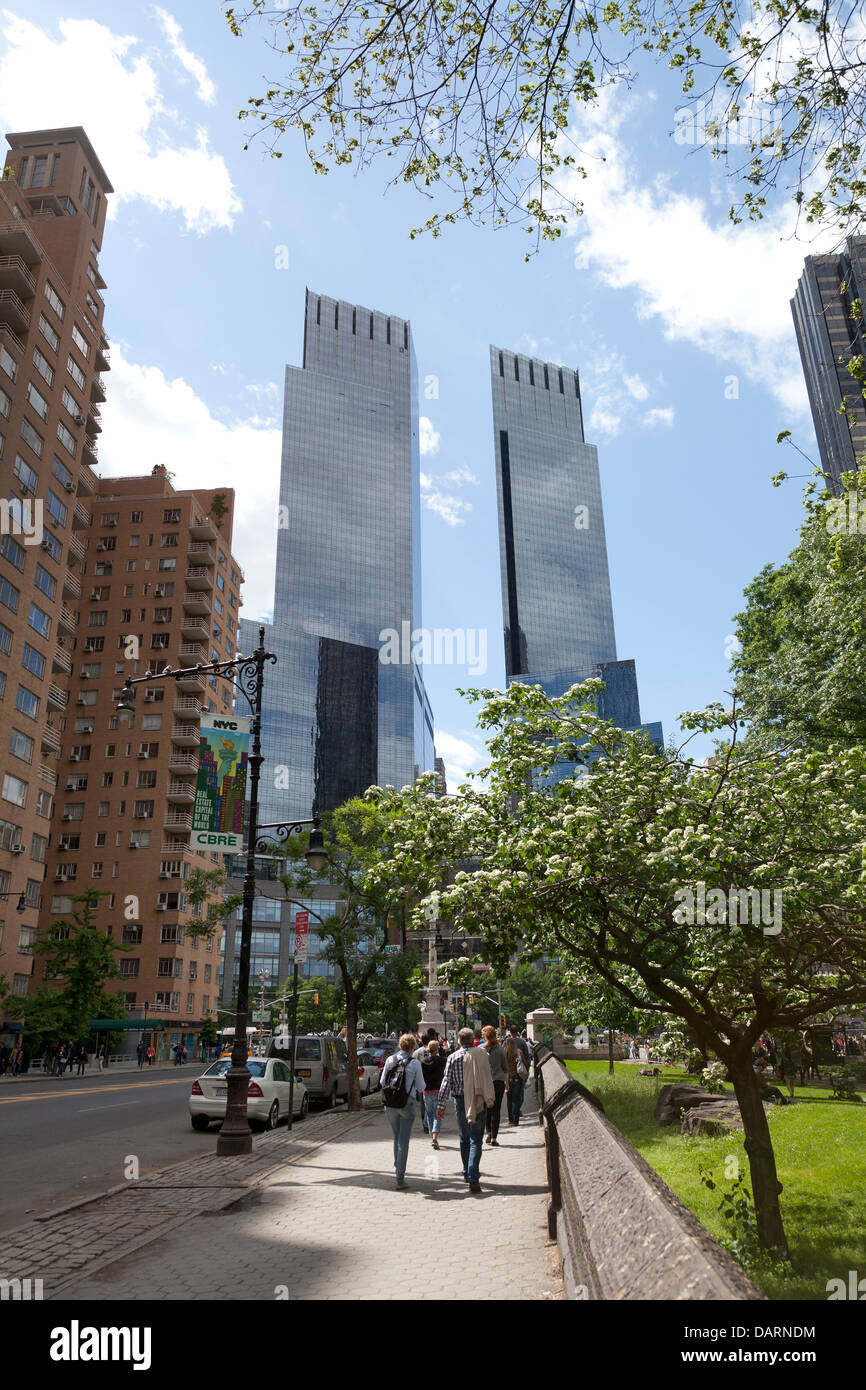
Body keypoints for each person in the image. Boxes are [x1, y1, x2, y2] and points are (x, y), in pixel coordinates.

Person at [436, 1026, 495, 1192]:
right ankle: (473, 1176)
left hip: (461, 1102)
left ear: (460, 1041)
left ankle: (467, 1172)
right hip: (478, 1100)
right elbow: (487, 1075)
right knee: (476, 1139)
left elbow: (446, 1082)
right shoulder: (483, 1055)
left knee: (464, 1138)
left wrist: (440, 1106)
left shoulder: (453, 1057)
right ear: (472, 1040)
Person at [380, 1033, 426, 1191]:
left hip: (390, 1104)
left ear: (400, 1045)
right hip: (407, 1104)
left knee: (397, 1136)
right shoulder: (414, 1063)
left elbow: (382, 1081)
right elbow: (421, 1087)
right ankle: (400, 1178)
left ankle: (397, 1164)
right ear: (413, 1047)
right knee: (403, 1141)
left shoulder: (389, 1060)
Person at [481, 1025, 507, 1146]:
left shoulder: (481, 1049)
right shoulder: (500, 1049)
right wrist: (506, 1084)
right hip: (499, 1082)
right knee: (496, 1110)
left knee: (487, 1109)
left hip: (486, 1083)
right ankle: (494, 1138)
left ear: (485, 1036)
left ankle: (489, 1132)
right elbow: (505, 1068)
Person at [421, 1039, 447, 1149]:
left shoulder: (423, 1062)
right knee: (438, 1114)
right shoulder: (442, 1061)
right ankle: (435, 1136)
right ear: (437, 1049)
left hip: (426, 1091)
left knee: (430, 1114)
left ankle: (433, 1137)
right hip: (438, 1090)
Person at [505, 1028, 530, 1126]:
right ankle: (516, 1120)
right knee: (516, 1099)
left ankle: (510, 1119)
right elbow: (526, 1063)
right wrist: (526, 1074)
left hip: (508, 1078)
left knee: (509, 1100)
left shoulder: (504, 1053)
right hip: (518, 1078)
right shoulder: (519, 1051)